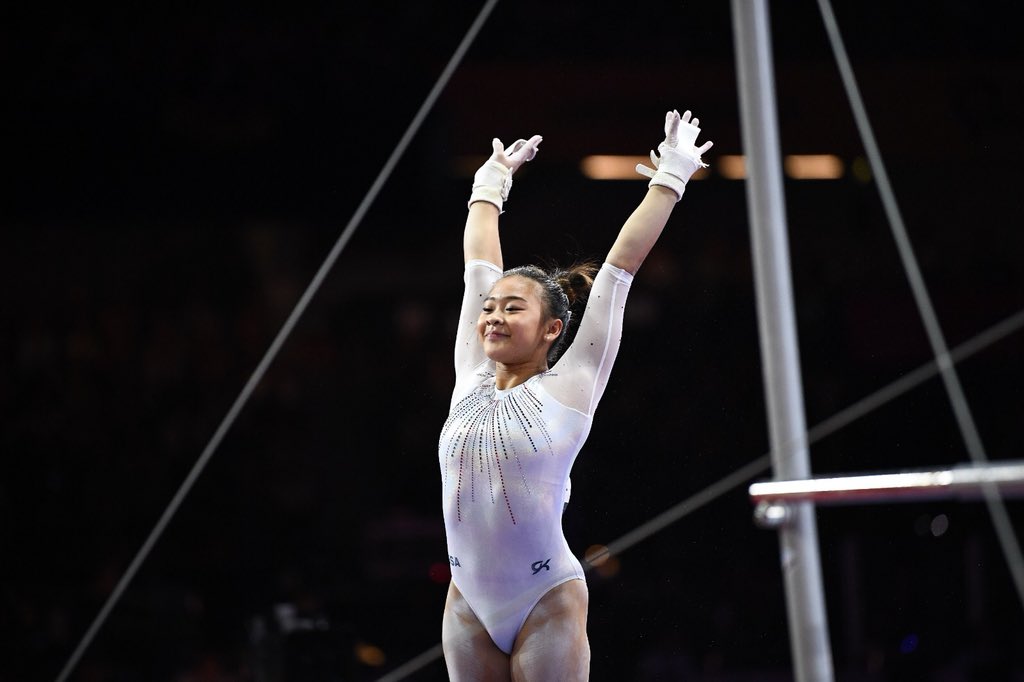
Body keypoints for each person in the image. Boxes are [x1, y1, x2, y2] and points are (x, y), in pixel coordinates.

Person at [438, 109, 713, 680]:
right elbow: (477, 267)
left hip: (545, 597)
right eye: (490, 308)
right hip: (466, 599)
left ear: (552, 330)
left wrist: (671, 179)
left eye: (513, 308)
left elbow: (619, 271)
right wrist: (489, 187)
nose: (492, 316)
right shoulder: (470, 372)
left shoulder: (571, 384)